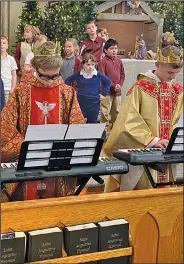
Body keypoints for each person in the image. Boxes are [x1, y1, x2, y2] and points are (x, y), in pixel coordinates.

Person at [1, 41, 85, 202]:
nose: (50, 81)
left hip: (57, 161)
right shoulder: (21, 92)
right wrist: (29, 146)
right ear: (35, 69)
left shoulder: (67, 93)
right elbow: (5, 128)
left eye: (55, 76)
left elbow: (77, 126)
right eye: (45, 76)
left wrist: (62, 147)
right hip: (26, 159)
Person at [103, 45, 183, 192]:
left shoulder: (177, 91)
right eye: (170, 72)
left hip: (169, 153)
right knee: (144, 194)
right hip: (146, 151)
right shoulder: (141, 88)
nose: (173, 77)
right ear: (157, 65)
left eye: (177, 73)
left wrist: (175, 140)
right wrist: (154, 140)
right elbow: (127, 122)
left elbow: (179, 120)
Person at [65, 53, 111, 123]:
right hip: (81, 102)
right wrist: (72, 92)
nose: (91, 67)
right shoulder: (78, 75)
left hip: (94, 103)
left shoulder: (97, 75)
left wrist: (103, 94)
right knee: (79, 121)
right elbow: (68, 80)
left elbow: (108, 82)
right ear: (83, 65)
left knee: (92, 122)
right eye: (88, 64)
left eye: (93, 64)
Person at [98, 38, 125, 129]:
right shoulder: (102, 62)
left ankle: (114, 130)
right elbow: (103, 76)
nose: (114, 50)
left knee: (117, 111)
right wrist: (113, 85)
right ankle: (103, 130)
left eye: (116, 48)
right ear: (105, 50)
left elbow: (122, 74)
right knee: (105, 111)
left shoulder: (119, 61)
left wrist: (119, 85)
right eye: (112, 48)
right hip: (106, 91)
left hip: (117, 92)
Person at [1, 35, 18, 101]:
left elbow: (14, 75)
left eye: (4, 43)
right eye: (0, 43)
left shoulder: (11, 59)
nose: (1, 44)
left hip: (7, 89)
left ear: (7, 46)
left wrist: (13, 88)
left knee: (6, 109)